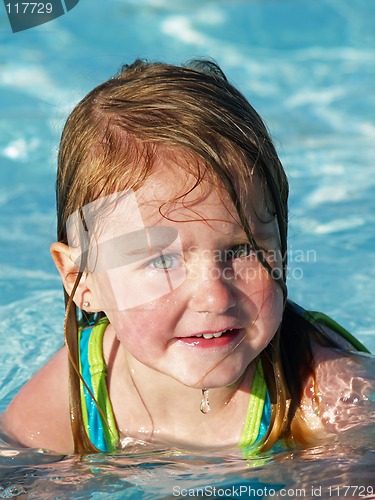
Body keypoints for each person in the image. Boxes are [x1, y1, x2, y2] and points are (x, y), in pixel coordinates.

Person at [1, 59, 373, 456]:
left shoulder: (329, 396)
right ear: (83, 280)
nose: (214, 297)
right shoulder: (77, 392)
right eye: (162, 261)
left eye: (242, 250)